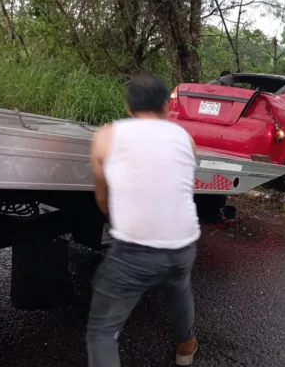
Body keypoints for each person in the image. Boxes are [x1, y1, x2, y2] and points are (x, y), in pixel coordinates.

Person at [87, 74, 200, 367]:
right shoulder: (185, 138)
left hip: (135, 252)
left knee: (102, 331)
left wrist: (121, 218)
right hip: (184, 244)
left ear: (128, 107)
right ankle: (186, 349)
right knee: (178, 288)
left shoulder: (106, 136)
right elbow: (182, 183)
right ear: (167, 105)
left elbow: (103, 197)